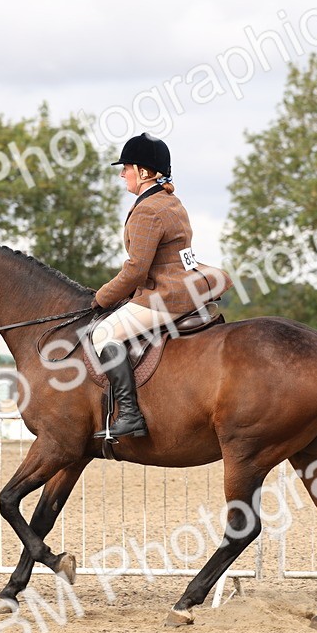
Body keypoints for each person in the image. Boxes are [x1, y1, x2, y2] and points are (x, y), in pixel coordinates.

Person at [89, 133, 226, 440]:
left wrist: (102, 297)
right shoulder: (170, 201)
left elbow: (136, 270)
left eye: (127, 167)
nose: (122, 174)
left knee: (103, 333)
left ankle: (130, 414)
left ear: (144, 172)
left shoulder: (148, 210)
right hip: (190, 282)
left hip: (168, 294)